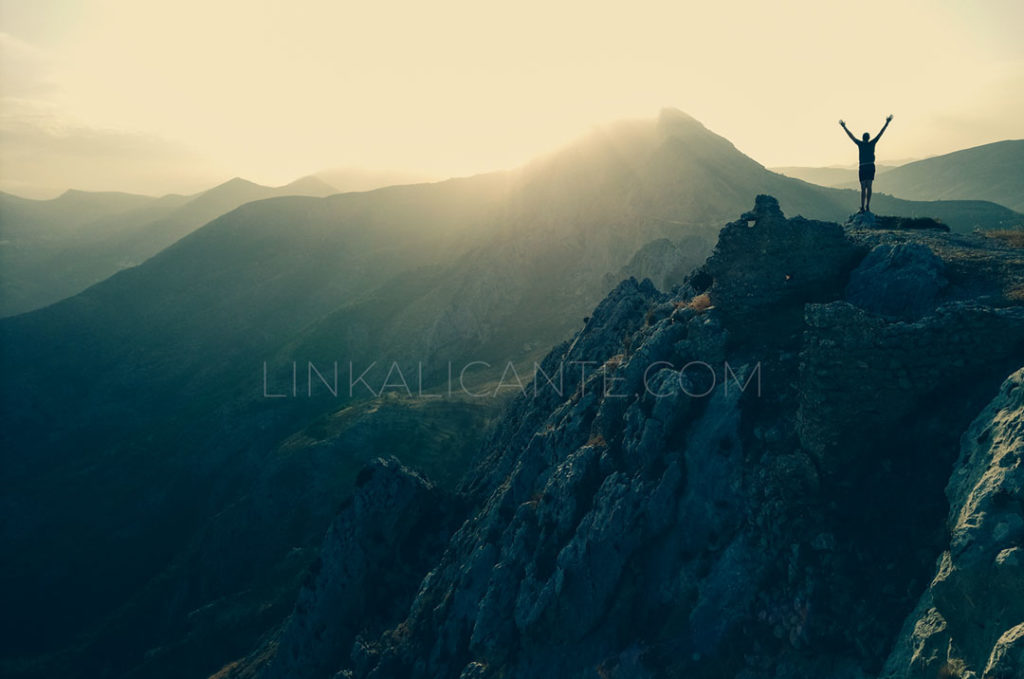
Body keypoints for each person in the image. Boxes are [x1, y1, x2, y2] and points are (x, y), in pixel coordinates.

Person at [839, 114, 893, 213]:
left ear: (863, 138)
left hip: (863, 167)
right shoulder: (872, 143)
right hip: (871, 166)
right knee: (869, 187)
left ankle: (863, 207)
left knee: (863, 188)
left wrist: (844, 127)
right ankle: (868, 206)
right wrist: (887, 122)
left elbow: (851, 136)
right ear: (868, 138)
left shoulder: (860, 144)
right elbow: (881, 133)